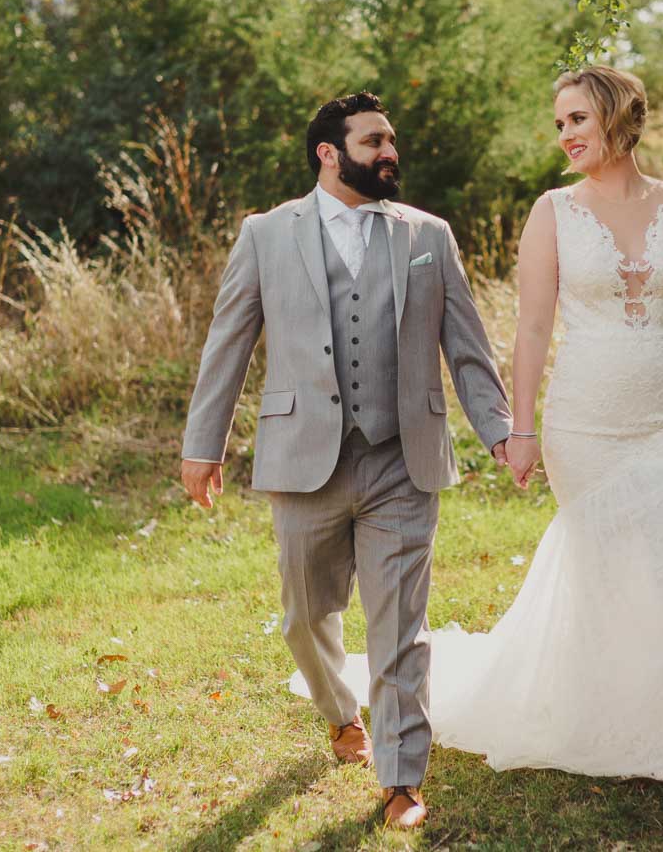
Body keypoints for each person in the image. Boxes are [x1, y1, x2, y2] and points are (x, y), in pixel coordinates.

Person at [295, 67, 663, 824]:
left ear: (616, 118)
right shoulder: (552, 213)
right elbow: (534, 329)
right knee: (625, 581)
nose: (566, 135)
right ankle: (651, 717)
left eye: (577, 118)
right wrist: (521, 427)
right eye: (559, 124)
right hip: (588, 429)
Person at [180, 92, 512, 830]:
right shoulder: (267, 235)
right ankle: (337, 711)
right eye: (375, 140)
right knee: (306, 616)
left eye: (391, 139)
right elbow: (228, 343)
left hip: (403, 459)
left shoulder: (429, 234)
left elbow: (467, 345)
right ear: (330, 153)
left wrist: (500, 431)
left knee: (399, 626)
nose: (390, 151)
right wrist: (203, 445)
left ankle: (402, 780)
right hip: (304, 460)